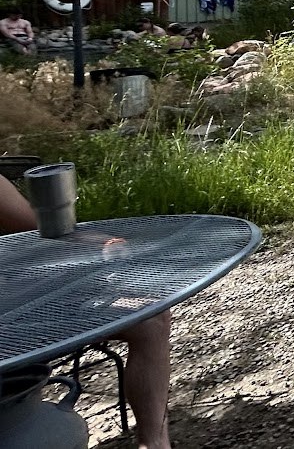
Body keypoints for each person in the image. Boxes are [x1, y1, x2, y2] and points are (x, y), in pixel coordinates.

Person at [1, 176, 175, 449]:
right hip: (14, 321)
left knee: (150, 320)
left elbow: (42, 230)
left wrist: (100, 243)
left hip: (22, 310)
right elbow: (42, 231)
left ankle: (154, 443)